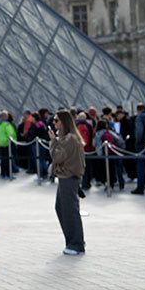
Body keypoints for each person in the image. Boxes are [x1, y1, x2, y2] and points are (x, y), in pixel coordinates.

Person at [49, 109, 86, 256]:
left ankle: (76, 244)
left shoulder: (70, 139)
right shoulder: (69, 138)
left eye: (56, 120)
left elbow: (57, 157)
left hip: (68, 177)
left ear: (64, 122)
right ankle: (73, 241)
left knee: (69, 211)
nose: (54, 123)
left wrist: (53, 141)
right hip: (67, 177)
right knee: (62, 208)